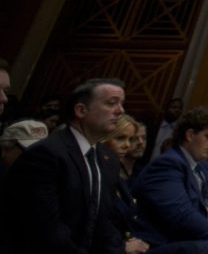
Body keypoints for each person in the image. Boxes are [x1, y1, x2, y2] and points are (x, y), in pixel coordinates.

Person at [0, 77, 126, 254]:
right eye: (112, 103)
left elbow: (105, 219)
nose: (121, 110)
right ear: (81, 110)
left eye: (121, 103)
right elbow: (46, 230)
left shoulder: (108, 158)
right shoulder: (46, 154)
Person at [132, 105, 208, 248]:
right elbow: (182, 217)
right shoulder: (167, 164)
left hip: (206, 238)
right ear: (190, 135)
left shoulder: (204, 166)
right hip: (176, 243)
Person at [103, 114, 151, 253]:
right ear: (103, 139)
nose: (128, 145)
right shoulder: (93, 174)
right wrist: (122, 247)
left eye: (130, 139)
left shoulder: (115, 174)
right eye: (120, 138)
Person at [148, 97, 184, 162]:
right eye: (174, 107)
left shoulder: (180, 131)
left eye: (180, 108)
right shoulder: (154, 126)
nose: (177, 110)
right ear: (166, 109)